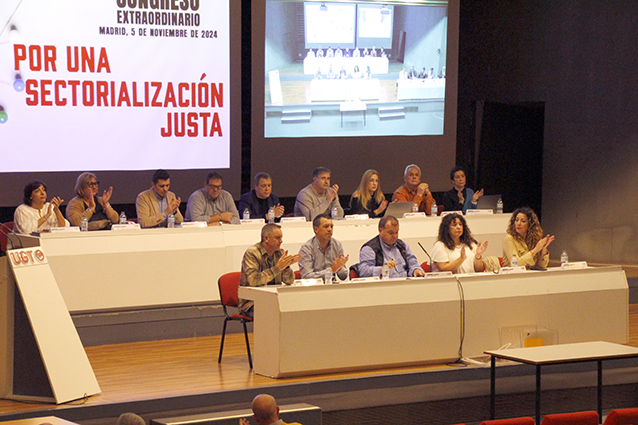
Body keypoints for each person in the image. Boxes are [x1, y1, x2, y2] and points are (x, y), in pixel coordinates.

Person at [238, 224, 300, 316]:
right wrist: (277, 268)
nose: (281, 241)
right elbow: (253, 280)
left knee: (296, 308)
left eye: (281, 238)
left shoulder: (280, 253)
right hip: (253, 302)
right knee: (273, 311)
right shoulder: (252, 253)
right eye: (277, 238)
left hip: (276, 299)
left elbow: (289, 281)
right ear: (266, 238)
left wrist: (286, 266)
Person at [359, 215, 425, 278]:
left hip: (405, 284)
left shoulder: (402, 246)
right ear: (380, 230)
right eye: (391, 233)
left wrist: (416, 270)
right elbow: (363, 271)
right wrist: (382, 269)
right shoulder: (370, 248)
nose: (395, 236)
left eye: (396, 232)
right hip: (383, 287)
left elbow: (413, 262)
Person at [298, 214, 349, 280]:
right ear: (316, 229)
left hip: (332, 286)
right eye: (326, 226)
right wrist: (331, 271)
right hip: (314, 288)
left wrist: (340, 267)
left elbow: (343, 277)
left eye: (331, 226)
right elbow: (307, 277)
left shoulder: (337, 245)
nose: (330, 229)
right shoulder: (306, 249)